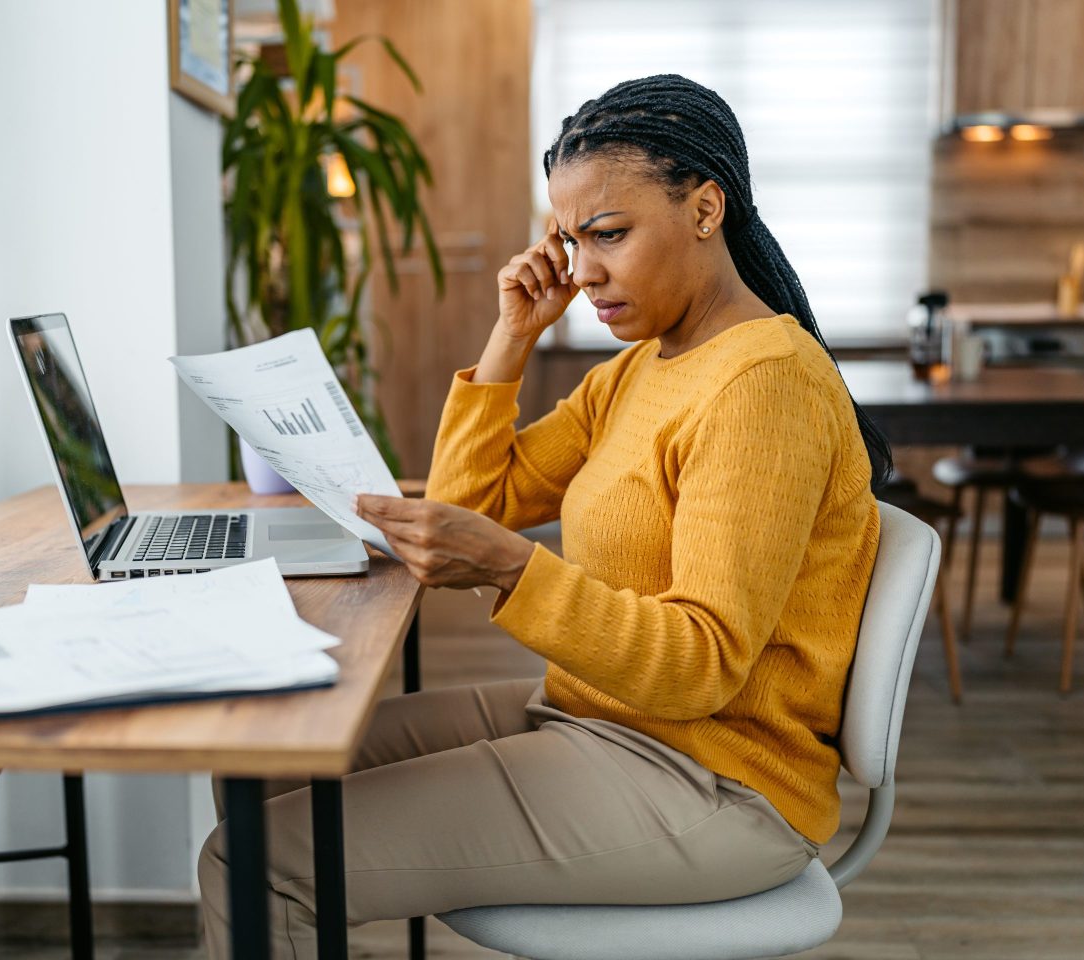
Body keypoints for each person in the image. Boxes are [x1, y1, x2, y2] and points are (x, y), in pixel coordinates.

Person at [198, 73, 886, 959]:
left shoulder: (764, 388)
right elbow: (465, 510)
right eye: (569, 239)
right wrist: (511, 338)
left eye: (609, 234)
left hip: (713, 779)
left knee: (251, 862)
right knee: (261, 768)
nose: (584, 269)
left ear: (707, 209)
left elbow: (702, 666)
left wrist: (516, 570)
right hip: (602, 720)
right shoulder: (641, 369)